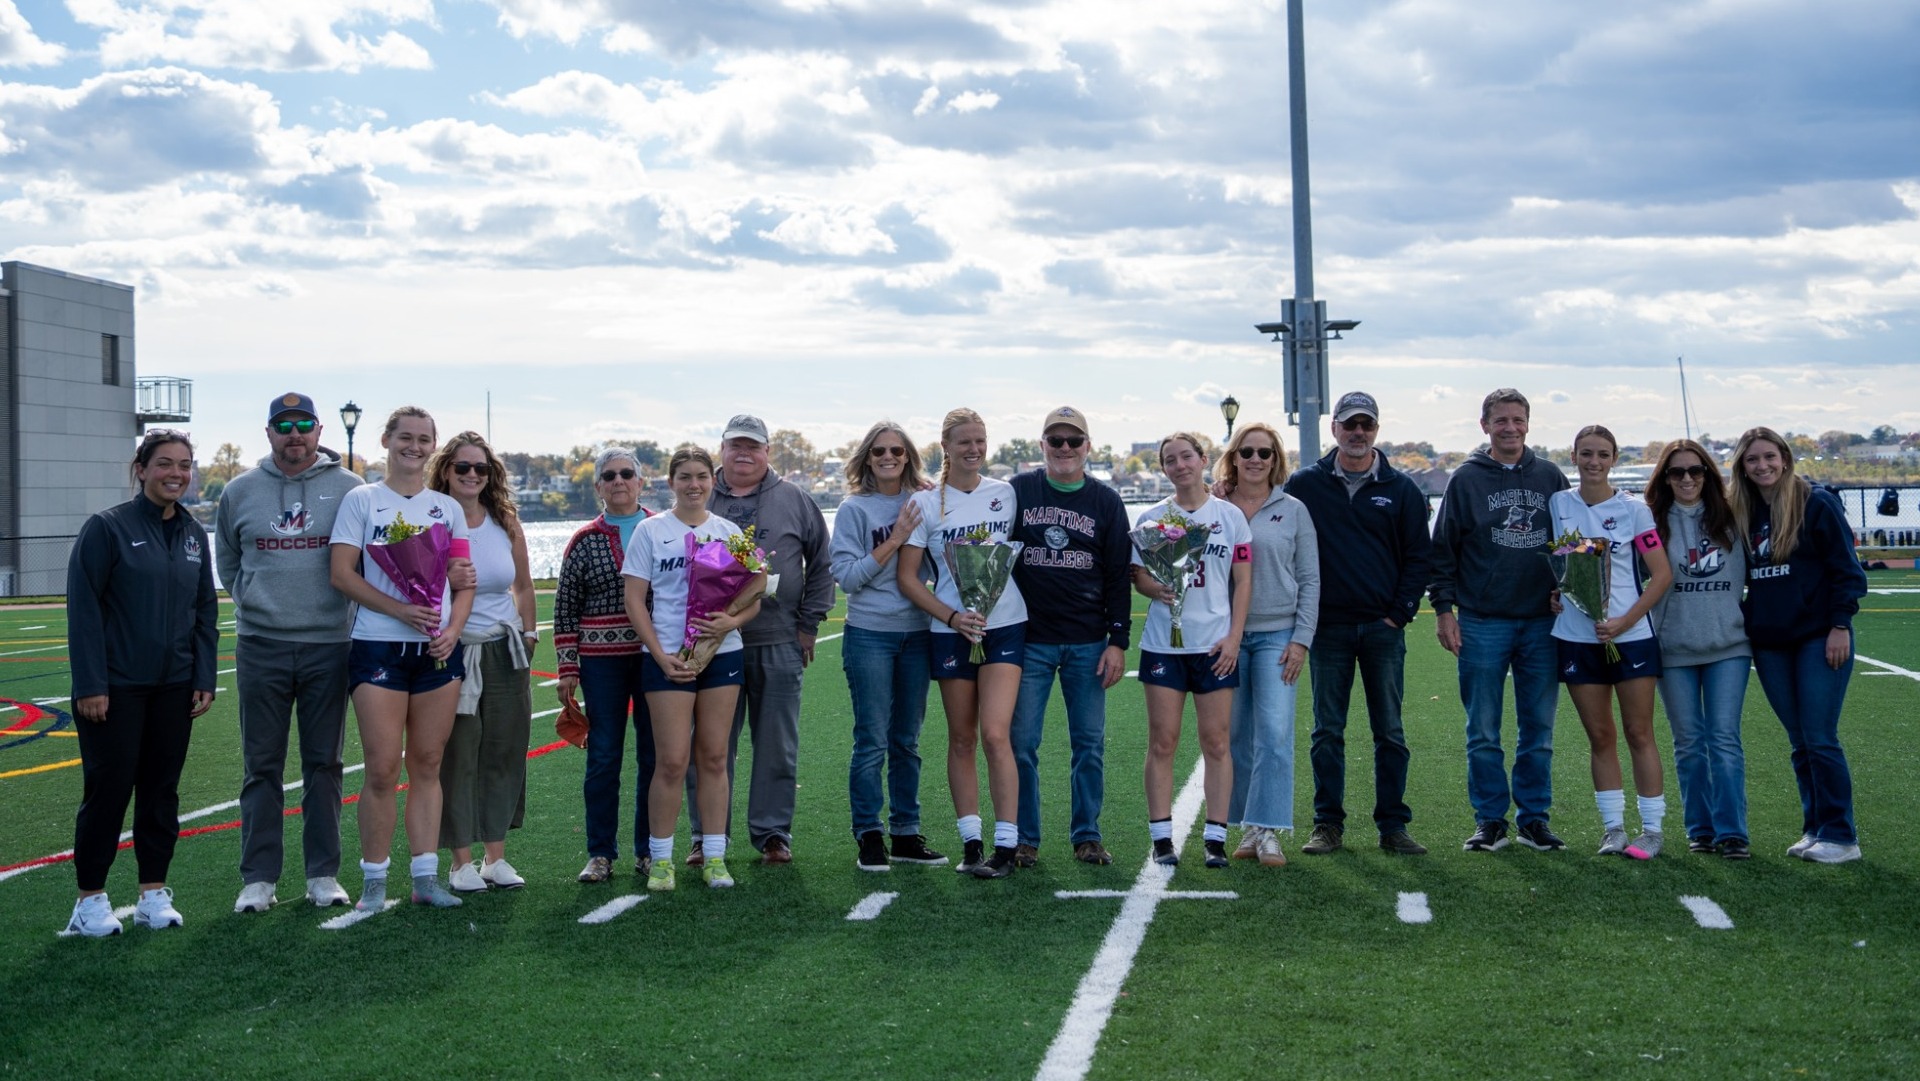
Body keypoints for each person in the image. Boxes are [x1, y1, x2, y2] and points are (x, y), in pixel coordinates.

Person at [63, 429, 219, 936]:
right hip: (114, 689)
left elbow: (204, 611)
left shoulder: (194, 535)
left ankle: (154, 893)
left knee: (161, 793)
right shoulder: (106, 529)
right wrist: (91, 683)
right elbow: (84, 610)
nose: (176, 473)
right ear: (142, 468)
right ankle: (90, 901)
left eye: (185, 465)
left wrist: (202, 675)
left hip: (174, 687)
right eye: (165, 464)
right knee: (108, 791)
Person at [215, 392, 364, 913]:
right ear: (269, 432)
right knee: (262, 766)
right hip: (261, 645)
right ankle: (258, 878)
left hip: (330, 645)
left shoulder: (351, 489)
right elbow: (230, 566)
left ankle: (323, 874)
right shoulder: (239, 491)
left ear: (320, 431)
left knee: (325, 764)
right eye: (284, 425)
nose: (294, 434)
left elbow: (366, 562)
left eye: (303, 424)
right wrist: (261, 605)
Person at [329, 406, 476, 910]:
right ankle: (373, 882)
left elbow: (463, 581)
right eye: (405, 437)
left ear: (433, 445)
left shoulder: (447, 507)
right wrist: (402, 610)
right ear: (387, 440)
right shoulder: (362, 500)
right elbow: (342, 574)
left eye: (423, 439)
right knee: (382, 769)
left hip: (436, 651)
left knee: (429, 763)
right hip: (377, 647)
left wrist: (452, 630)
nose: (414, 446)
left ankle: (425, 879)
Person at [1284, 391, 1433, 858]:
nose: (1357, 432)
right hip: (1326, 629)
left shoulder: (1402, 488)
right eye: (1350, 424)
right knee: (1327, 730)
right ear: (1335, 429)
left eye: (1366, 425)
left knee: (1389, 730)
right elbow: (1273, 523)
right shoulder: (1304, 484)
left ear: (1376, 430)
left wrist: (1399, 613)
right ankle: (1327, 824)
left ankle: (1393, 825)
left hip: (1382, 630)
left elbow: (1418, 558)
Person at [1430, 388, 1570, 852]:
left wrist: (1567, 590)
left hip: (1541, 623)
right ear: (1484, 424)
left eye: (1518, 419)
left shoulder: (1550, 476)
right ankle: (1490, 819)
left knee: (1539, 730)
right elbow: (1443, 549)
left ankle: (1534, 819)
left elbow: (1571, 546)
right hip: (1482, 619)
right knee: (1483, 730)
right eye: (1501, 420)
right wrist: (1444, 611)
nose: (1510, 428)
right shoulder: (1465, 480)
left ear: (1528, 423)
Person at [693, 415, 834, 865]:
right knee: (710, 745)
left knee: (777, 742)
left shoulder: (794, 499)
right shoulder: (698, 497)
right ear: (721, 450)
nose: (744, 454)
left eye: (753, 446)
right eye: (735, 445)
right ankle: (706, 834)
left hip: (776, 638)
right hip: (711, 644)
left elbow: (821, 563)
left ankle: (773, 833)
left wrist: (808, 624)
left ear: (767, 452)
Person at [898, 407, 1029, 878]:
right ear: (945, 448)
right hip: (951, 631)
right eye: (964, 442)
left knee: (996, 734)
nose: (974, 449)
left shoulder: (1006, 495)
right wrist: (952, 617)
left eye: (981, 440)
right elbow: (908, 578)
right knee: (961, 737)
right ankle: (971, 844)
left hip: (1006, 624)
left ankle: (1007, 846)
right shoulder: (925, 504)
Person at [1730, 426, 1869, 863]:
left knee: (1820, 737)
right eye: (1753, 459)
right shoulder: (1742, 509)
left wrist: (1840, 625)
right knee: (1799, 740)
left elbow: (1847, 571)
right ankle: (1815, 827)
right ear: (1742, 466)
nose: (1762, 465)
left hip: (1818, 637)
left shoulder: (1816, 502)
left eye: (1770, 457)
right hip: (1771, 642)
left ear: (1785, 458)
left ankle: (1842, 836)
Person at [624, 446, 759, 890]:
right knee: (672, 761)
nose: (694, 484)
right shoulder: (649, 531)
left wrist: (732, 621)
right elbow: (634, 601)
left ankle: (716, 856)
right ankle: (661, 860)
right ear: (670, 482)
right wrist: (659, 653)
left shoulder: (728, 531)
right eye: (684, 476)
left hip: (722, 655)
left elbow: (756, 590)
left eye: (702, 476)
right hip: (667, 660)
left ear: (712, 481)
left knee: (716, 758)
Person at [1008, 406, 1132, 868]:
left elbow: (1119, 575)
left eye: (1073, 441)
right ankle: (1024, 837)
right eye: (1055, 440)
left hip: (1087, 640)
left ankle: (1087, 834)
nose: (1064, 449)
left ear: (1088, 447)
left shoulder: (1105, 501)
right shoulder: (1018, 491)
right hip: (1029, 639)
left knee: (1089, 743)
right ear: (1041, 445)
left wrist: (1118, 639)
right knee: (1021, 742)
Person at [1549, 425, 1673, 858]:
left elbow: (1661, 576)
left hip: (1632, 635)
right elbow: (1564, 567)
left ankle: (1652, 830)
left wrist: (1623, 621)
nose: (1594, 462)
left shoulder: (1636, 510)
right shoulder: (1559, 503)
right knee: (1600, 736)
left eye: (1603, 454)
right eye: (1586, 453)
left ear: (1614, 459)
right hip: (1576, 637)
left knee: (1639, 732)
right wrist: (1558, 591)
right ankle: (1614, 829)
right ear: (1575, 456)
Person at [831, 421, 948, 871]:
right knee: (872, 740)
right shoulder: (853, 510)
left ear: (908, 456)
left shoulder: (924, 500)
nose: (888, 457)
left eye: (897, 451)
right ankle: (869, 834)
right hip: (870, 634)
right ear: (866, 456)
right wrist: (896, 539)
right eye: (879, 450)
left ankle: (905, 832)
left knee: (907, 740)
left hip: (919, 633)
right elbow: (848, 578)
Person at [1133, 433, 1252, 869]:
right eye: (1170, 460)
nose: (1180, 465)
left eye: (1187, 456)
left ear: (1203, 460)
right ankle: (1162, 837)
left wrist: (1234, 637)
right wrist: (1157, 586)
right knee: (1162, 742)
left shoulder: (1230, 517)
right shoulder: (1151, 517)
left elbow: (1243, 582)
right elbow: (1138, 576)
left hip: (1215, 645)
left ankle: (1216, 838)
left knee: (1217, 742)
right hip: (1165, 645)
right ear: (1164, 468)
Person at [430, 432, 537, 891]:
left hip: (505, 649)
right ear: (446, 472)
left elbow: (525, 586)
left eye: (481, 468)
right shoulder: (431, 520)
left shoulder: (505, 521)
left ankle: (496, 857)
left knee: (504, 750)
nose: (472, 475)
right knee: (459, 755)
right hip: (453, 650)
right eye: (462, 467)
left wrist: (529, 634)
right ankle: (461, 862)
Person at [1217, 421, 1317, 867]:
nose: (1256, 459)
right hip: (1228, 637)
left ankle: (1269, 829)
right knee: (1236, 735)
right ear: (1234, 458)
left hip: (1279, 634)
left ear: (1276, 460)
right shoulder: (1215, 506)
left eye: (1265, 453)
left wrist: (1301, 640)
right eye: (1247, 452)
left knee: (1274, 734)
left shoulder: (1294, 509)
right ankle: (1247, 824)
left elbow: (1311, 579)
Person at [554, 448, 657, 883]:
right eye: (609, 476)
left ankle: (651, 848)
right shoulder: (584, 540)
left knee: (656, 756)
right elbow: (565, 607)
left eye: (627, 474)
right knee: (603, 758)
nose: (619, 481)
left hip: (655, 659)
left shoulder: (663, 531)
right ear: (598, 486)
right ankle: (600, 852)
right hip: (600, 663)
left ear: (641, 481)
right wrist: (567, 666)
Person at [1647, 438, 1752, 859]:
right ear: (1665, 478)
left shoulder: (1733, 518)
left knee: (1724, 739)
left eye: (1696, 470)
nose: (1687, 478)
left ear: (1708, 474)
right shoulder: (1651, 522)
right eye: (1677, 472)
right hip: (1673, 649)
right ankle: (1700, 829)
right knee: (1689, 742)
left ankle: (1732, 832)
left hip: (1729, 645)